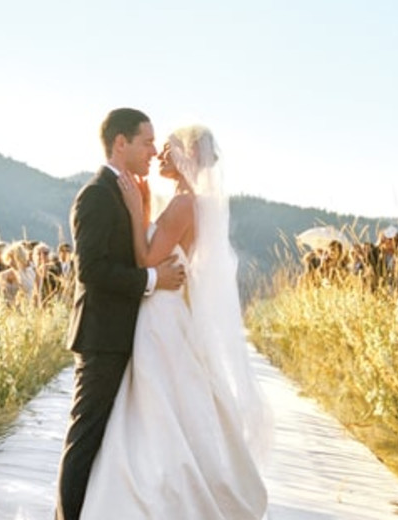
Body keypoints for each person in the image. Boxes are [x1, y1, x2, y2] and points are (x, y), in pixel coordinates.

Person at [80, 125, 270, 518]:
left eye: (167, 149)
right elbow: (159, 249)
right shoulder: (193, 202)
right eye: (156, 147)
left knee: (157, 396)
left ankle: (159, 488)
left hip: (161, 309)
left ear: (186, 155)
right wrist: (147, 211)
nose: (160, 155)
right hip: (166, 303)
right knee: (168, 397)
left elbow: (148, 258)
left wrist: (137, 213)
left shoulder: (185, 204)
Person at [55, 108, 186, 520]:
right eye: (147, 141)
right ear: (120, 143)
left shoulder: (130, 191)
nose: (152, 149)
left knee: (111, 439)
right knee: (87, 437)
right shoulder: (96, 195)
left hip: (126, 335)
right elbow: (91, 271)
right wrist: (152, 279)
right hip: (102, 336)